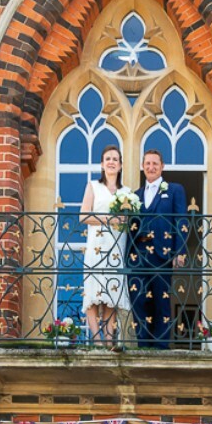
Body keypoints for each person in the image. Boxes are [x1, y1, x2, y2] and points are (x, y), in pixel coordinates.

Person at [129, 149, 187, 349]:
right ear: (143, 167)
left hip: (162, 253)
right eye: (147, 164)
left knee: (161, 299)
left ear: (162, 167)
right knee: (138, 299)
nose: (151, 167)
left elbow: (181, 220)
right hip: (138, 254)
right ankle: (143, 344)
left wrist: (180, 251)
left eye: (155, 163)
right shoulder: (135, 195)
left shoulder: (174, 190)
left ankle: (161, 346)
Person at [80, 144, 130, 347]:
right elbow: (84, 216)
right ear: (102, 164)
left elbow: (128, 221)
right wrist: (109, 219)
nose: (111, 162)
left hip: (117, 246)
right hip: (96, 245)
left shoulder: (126, 192)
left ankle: (109, 340)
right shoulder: (93, 186)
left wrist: (122, 220)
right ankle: (96, 339)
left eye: (115, 159)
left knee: (111, 293)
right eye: (108, 158)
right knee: (94, 292)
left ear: (120, 165)